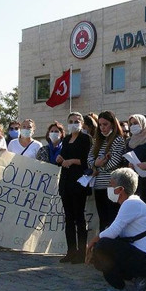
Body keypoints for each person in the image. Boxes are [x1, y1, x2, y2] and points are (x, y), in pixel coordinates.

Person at [86, 168, 146, 291]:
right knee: (100, 252)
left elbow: (112, 232)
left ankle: (118, 289)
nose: (109, 188)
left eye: (111, 185)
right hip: (145, 259)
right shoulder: (130, 203)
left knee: (102, 245)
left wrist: (92, 242)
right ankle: (138, 278)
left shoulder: (131, 203)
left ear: (120, 189)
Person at [57, 112, 92, 263]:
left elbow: (87, 160)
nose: (73, 123)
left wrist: (72, 161)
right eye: (70, 121)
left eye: (76, 121)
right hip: (66, 181)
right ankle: (70, 251)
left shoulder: (86, 139)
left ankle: (81, 252)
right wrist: (60, 159)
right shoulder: (65, 139)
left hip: (78, 182)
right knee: (69, 218)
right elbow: (62, 157)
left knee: (79, 218)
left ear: (82, 123)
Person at [88, 111, 126, 230]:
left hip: (112, 185)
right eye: (100, 125)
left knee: (112, 219)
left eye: (105, 124)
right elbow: (89, 159)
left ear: (113, 125)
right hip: (99, 186)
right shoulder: (98, 141)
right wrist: (96, 163)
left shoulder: (118, 140)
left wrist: (100, 166)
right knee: (103, 220)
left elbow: (114, 162)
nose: (102, 128)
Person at [124, 114, 146, 203]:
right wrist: (129, 165)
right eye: (131, 124)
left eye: (136, 123)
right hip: (134, 178)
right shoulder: (129, 142)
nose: (133, 126)